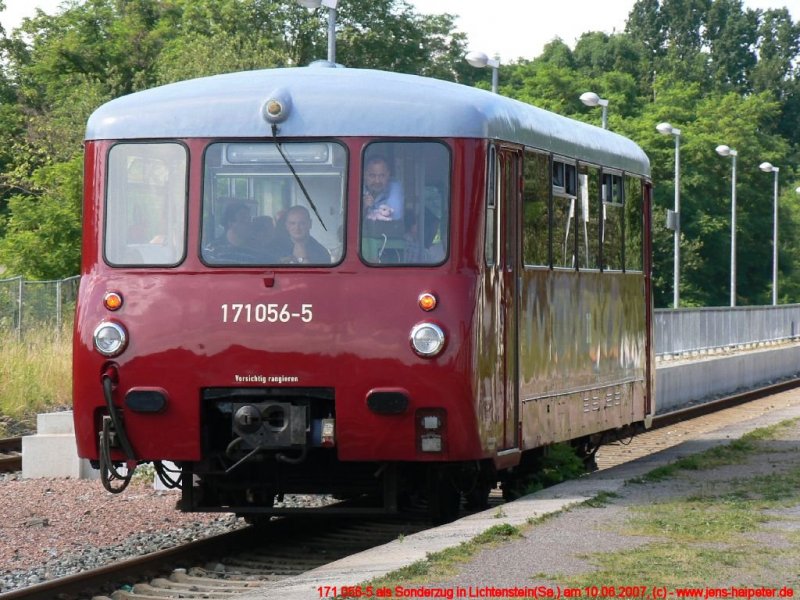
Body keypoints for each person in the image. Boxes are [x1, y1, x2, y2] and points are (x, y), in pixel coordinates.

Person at [363, 156, 404, 221]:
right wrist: (363, 207)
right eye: (372, 176)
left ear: (388, 175)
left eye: (382, 176)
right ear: (365, 175)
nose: (377, 181)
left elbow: (393, 219)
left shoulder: (394, 187)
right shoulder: (356, 187)